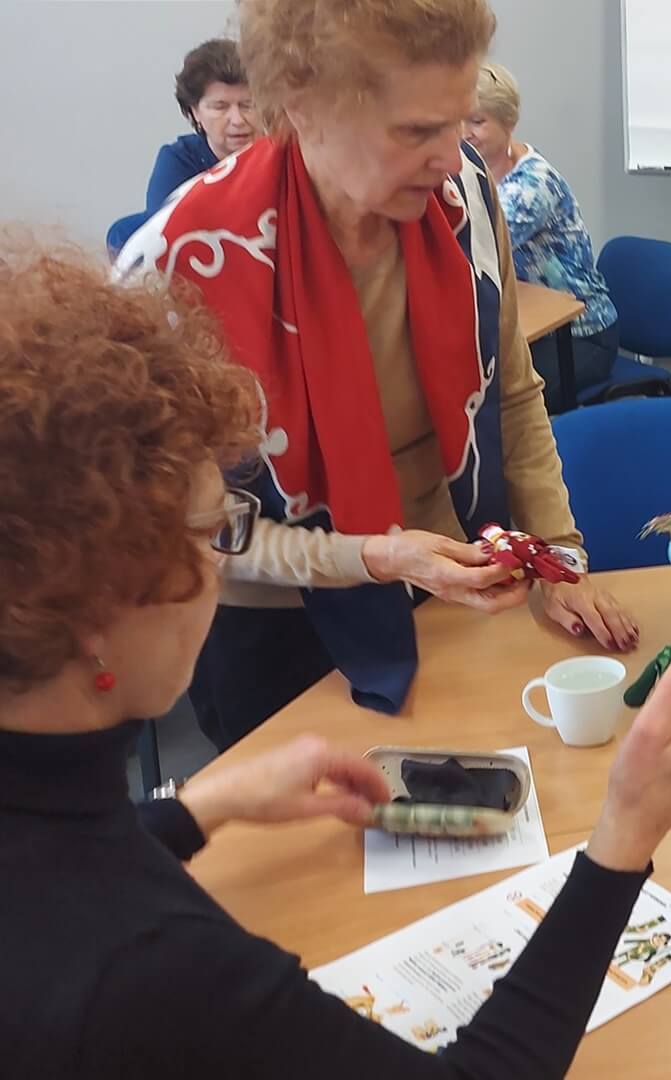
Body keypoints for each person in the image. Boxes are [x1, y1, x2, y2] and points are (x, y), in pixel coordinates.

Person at [0, 240, 671, 1079]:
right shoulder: (155, 968)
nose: (220, 563)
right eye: (211, 532)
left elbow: (60, 859)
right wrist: (628, 830)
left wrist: (199, 809)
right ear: (95, 612)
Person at [116, 0, 638, 751]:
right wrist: (368, 558)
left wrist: (559, 557)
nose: (450, 154)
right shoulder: (183, 265)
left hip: (448, 585)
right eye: (415, 130)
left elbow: (513, 396)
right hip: (276, 622)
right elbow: (186, 527)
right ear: (303, 107)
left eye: (458, 121)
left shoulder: (464, 197)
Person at [465, 63, 620, 416]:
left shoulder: (532, 186)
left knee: (496, 401)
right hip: (532, 325)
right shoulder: (474, 169)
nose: (464, 132)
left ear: (508, 123)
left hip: (581, 335)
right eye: (459, 120)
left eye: (477, 121)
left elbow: (475, 249)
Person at [110, 39, 258, 250]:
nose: (237, 120)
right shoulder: (178, 161)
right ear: (194, 112)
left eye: (248, 105)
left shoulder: (284, 156)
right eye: (220, 107)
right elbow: (164, 236)